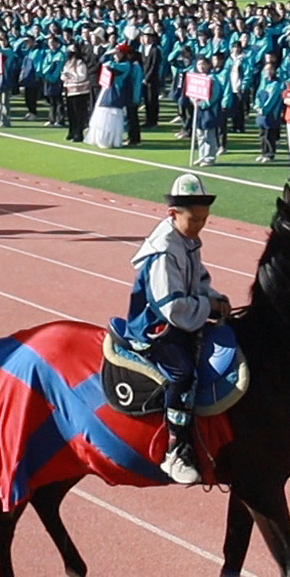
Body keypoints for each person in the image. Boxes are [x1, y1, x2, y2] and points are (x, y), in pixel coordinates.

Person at [123, 174, 229, 486]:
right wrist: (207, 307)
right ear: (172, 214)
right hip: (156, 327)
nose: (200, 226)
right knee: (183, 373)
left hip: (184, 314)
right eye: (194, 219)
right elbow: (171, 307)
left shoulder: (188, 240)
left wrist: (214, 299)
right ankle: (176, 449)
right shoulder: (164, 251)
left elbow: (198, 281)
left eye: (204, 220)